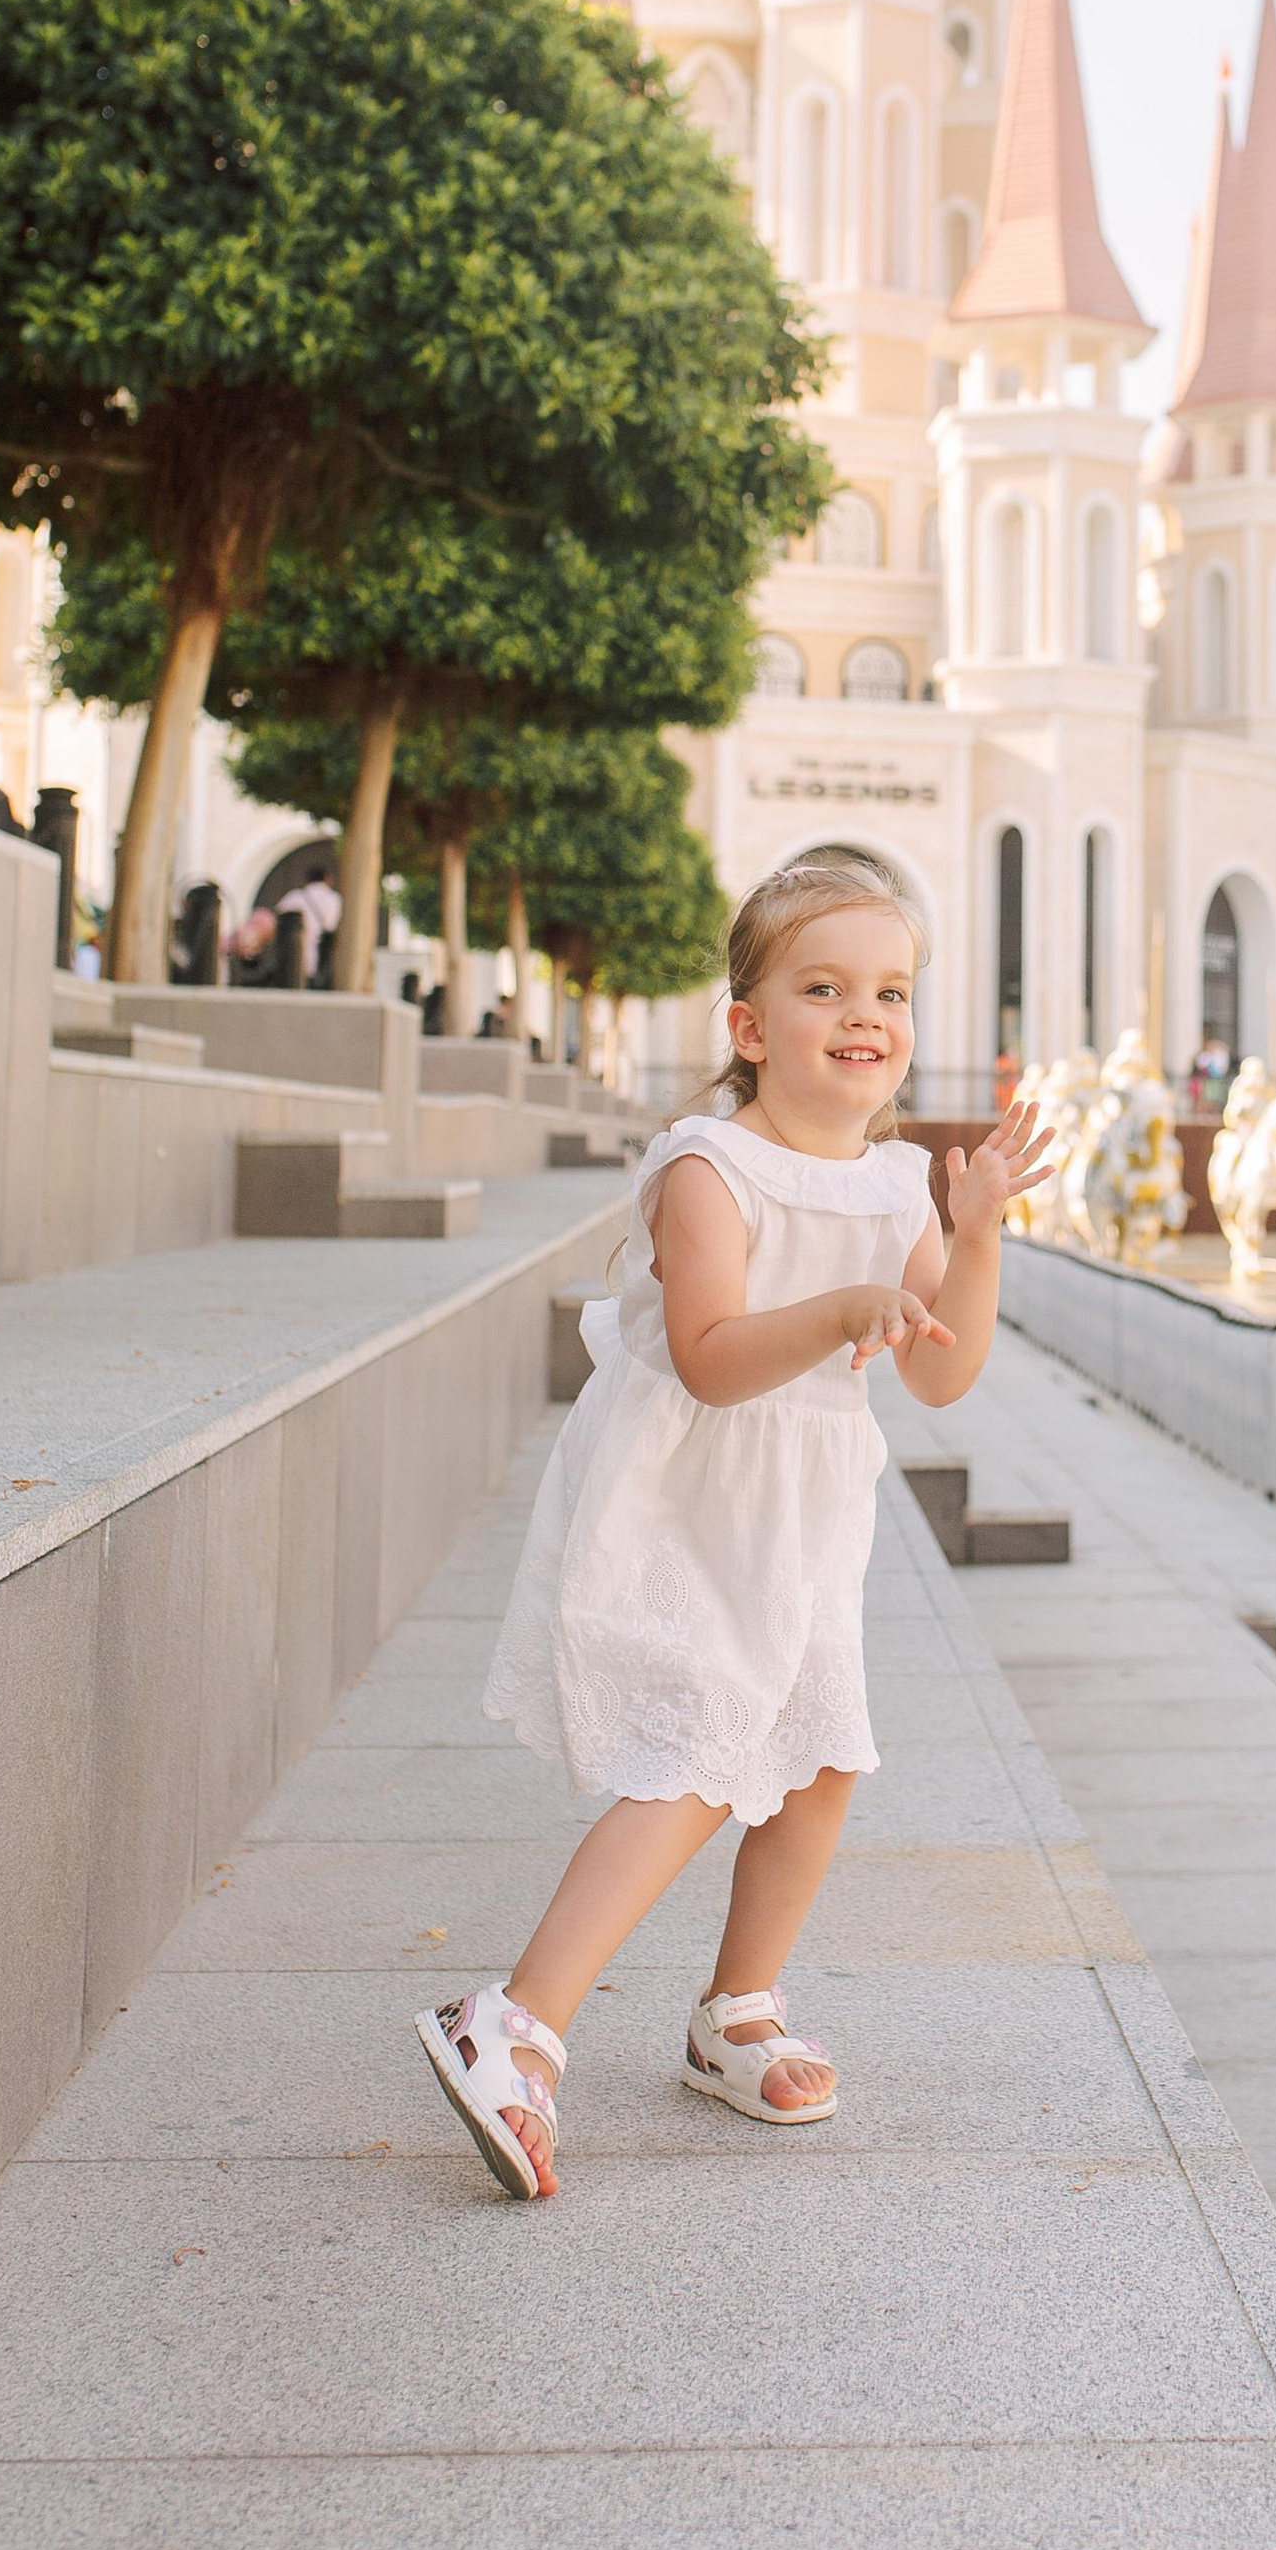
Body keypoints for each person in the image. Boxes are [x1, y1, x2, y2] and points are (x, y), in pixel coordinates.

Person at [419, 844, 1051, 2201]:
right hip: (684, 1502)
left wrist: (978, 1233)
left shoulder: (894, 1188)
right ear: (751, 1029)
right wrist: (835, 1315)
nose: (864, 1015)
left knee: (819, 1762)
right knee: (703, 1759)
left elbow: (942, 1370)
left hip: (805, 1520)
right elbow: (708, 1356)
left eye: (891, 990)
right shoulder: (708, 1166)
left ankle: (737, 2012)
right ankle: (515, 2022)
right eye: (824, 987)